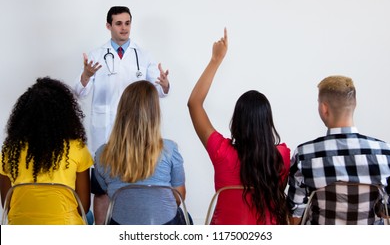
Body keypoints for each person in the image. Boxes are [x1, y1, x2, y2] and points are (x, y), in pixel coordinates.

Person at [187, 28, 291, 225]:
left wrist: (215, 60)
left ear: (237, 121)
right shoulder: (282, 155)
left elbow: (194, 104)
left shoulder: (221, 152)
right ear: (268, 122)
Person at [287, 75, 390, 225]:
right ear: (354, 105)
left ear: (324, 108)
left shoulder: (304, 155)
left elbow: (295, 216)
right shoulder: (385, 153)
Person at [73, 6, 170, 156]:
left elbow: (159, 92)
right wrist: (86, 76)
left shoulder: (144, 56)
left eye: (127, 23)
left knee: (132, 167)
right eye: (118, 23)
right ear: (108, 26)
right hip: (105, 127)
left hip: (134, 124)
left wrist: (164, 85)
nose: (124, 28)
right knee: (102, 171)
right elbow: (79, 93)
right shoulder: (96, 55)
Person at [93, 80, 189, 225]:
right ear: (155, 114)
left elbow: (107, 193)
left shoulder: (102, 154)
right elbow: (179, 196)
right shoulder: (170, 150)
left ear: (121, 111)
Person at [0, 77, 93, 224]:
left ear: (23, 115)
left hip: (21, 228)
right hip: (65, 229)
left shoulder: (11, 150)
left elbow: (7, 204)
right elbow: (84, 207)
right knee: (90, 217)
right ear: (66, 114)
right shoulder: (77, 148)